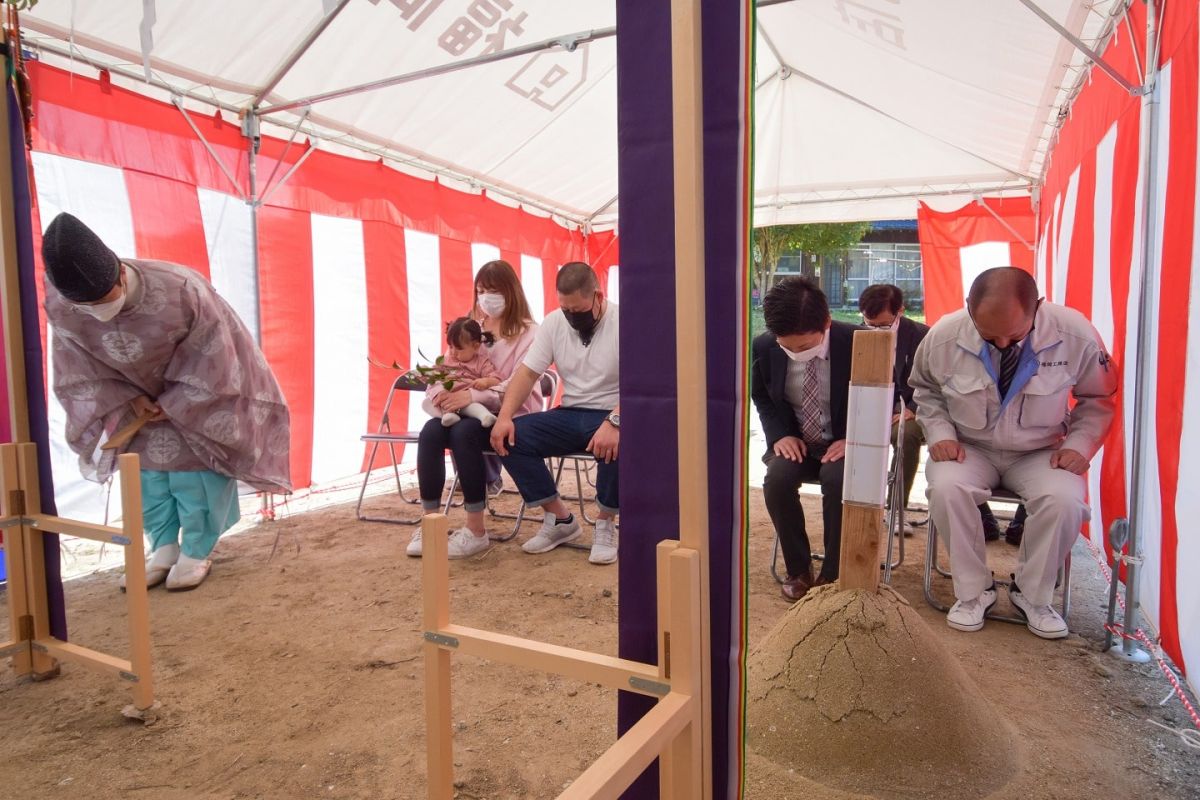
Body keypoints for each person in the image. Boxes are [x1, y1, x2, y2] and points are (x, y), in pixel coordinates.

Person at [41, 212, 292, 591]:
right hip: (130, 399)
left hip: (198, 393)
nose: (97, 313)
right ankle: (162, 547)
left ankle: (196, 549)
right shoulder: (62, 303)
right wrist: (130, 397)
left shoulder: (179, 288)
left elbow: (216, 352)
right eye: (86, 307)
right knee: (149, 477)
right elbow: (75, 360)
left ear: (121, 275)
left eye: (103, 300)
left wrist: (175, 400)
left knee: (194, 474)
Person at [910, 267, 1117, 638]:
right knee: (946, 488)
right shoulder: (943, 335)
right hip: (969, 448)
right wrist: (939, 431)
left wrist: (1079, 445)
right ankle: (973, 594)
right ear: (968, 308)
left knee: (1065, 499)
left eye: (1015, 335)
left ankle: (1033, 596)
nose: (1003, 345)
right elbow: (925, 390)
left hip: (1041, 451)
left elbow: (1098, 396)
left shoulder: (1076, 334)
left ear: (1038, 307)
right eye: (990, 336)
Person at [858, 283, 1025, 537]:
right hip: (874, 407)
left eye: (882, 324)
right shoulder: (858, 336)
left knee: (905, 436)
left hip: (918, 411)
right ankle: (858, 507)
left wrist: (914, 408)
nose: (875, 331)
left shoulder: (926, 336)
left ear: (900, 311)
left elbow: (935, 384)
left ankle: (896, 510)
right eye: (869, 324)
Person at [490, 262, 619, 566]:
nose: (572, 317)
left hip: (611, 411)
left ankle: (605, 523)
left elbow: (643, 379)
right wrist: (505, 416)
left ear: (598, 297)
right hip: (571, 411)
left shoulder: (624, 320)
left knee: (615, 444)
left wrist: (616, 420)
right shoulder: (553, 323)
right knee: (510, 437)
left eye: (578, 309)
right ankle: (560, 519)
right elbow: (527, 373)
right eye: (566, 310)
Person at [411, 260, 541, 559]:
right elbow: (445, 369)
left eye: (493, 290)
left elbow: (517, 382)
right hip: (463, 410)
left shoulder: (530, 332)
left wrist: (471, 396)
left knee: (465, 432)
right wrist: (441, 393)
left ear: (511, 291)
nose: (485, 298)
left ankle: (475, 530)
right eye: (481, 290)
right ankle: (430, 524)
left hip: (510, 414)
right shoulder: (471, 326)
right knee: (431, 432)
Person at [752, 277, 853, 601]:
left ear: (825, 323)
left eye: (806, 346)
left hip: (846, 442)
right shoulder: (765, 346)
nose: (797, 354)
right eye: (787, 347)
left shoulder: (858, 342)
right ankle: (799, 569)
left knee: (839, 480)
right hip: (798, 441)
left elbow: (885, 399)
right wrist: (780, 435)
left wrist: (855, 439)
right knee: (777, 480)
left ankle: (834, 574)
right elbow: (762, 396)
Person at [421, 317, 503, 428]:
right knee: (426, 403)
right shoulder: (446, 360)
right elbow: (435, 375)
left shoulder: (481, 362)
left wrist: (486, 381)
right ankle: (447, 415)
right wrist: (426, 373)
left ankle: (485, 416)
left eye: (459, 349)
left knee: (474, 406)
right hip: (446, 399)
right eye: (450, 347)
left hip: (466, 401)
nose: (453, 352)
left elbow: (497, 379)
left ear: (476, 346)